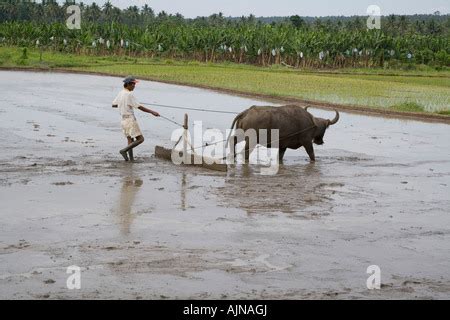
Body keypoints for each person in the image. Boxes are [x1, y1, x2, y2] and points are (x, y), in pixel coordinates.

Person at [112, 76, 160, 161]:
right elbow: (139, 107)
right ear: (128, 84)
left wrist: (123, 103)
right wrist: (152, 112)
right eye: (133, 84)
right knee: (141, 139)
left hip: (123, 120)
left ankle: (130, 159)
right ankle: (123, 150)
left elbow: (114, 105)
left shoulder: (121, 93)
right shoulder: (129, 94)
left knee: (130, 140)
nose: (134, 86)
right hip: (130, 120)